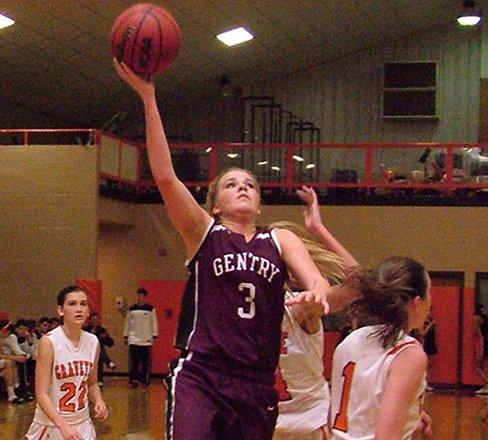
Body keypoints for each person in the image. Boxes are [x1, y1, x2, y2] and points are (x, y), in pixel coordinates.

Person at [114, 59, 330, 440]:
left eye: (249, 184)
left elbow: (317, 281)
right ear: (214, 204)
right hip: (203, 374)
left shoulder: (279, 239)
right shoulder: (204, 232)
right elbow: (164, 177)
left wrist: (316, 294)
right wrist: (149, 98)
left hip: (258, 379)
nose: (243, 187)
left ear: (260, 205)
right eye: (231, 184)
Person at [272, 186, 360, 440]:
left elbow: (357, 285)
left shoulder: (298, 305)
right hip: (262, 418)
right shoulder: (243, 304)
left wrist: (318, 229)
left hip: (307, 421)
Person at [328, 256, 433, 440]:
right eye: (429, 292)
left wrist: (411, 413)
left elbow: (357, 405)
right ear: (417, 302)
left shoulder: (351, 340)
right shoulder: (409, 353)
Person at [23, 285, 108, 440]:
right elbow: (41, 394)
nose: (79, 309)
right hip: (52, 425)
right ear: (60, 310)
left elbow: (92, 383)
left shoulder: (93, 341)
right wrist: (63, 425)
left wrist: (99, 401)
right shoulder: (49, 342)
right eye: (72, 304)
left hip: (82, 424)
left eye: (83, 304)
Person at [123, 288, 158, 388]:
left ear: (145, 297)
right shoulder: (131, 309)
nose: (139, 298)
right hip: (133, 339)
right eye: (138, 296)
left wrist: (154, 334)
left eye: (141, 296)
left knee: (145, 362)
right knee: (133, 362)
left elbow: (154, 322)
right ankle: (133, 380)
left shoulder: (150, 309)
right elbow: (128, 323)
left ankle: (144, 380)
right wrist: (126, 335)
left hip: (146, 340)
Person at [85, 312, 116, 386]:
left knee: (99, 351)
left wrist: (105, 337)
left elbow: (110, 343)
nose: (95, 321)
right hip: (86, 351)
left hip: (97, 352)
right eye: (93, 320)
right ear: (89, 320)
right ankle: (108, 362)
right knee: (99, 351)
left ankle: (99, 379)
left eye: (96, 320)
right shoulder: (84, 330)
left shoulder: (101, 330)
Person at [474, 301, 488, 395]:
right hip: (487, 341)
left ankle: (487, 381)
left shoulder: (476, 318)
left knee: (477, 365)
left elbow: (475, 331)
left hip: (481, 342)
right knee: (485, 364)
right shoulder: (486, 319)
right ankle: (485, 387)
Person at [422, 310, 437, 392]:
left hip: (432, 343)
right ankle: (423, 383)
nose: (431, 314)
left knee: (430, 366)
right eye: (429, 312)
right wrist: (430, 325)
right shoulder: (424, 323)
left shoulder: (432, 322)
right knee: (425, 366)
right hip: (426, 344)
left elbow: (436, 334)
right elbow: (422, 334)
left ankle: (427, 382)